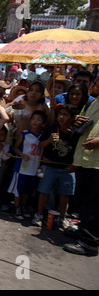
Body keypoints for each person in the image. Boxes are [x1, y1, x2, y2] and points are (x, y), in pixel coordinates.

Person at [32, 104, 80, 227]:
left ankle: (62, 217)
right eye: (60, 114)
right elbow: (40, 145)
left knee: (65, 194)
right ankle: (39, 214)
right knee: (43, 191)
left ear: (72, 118)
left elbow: (78, 150)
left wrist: (75, 165)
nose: (62, 117)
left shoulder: (76, 132)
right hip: (49, 167)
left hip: (67, 169)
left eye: (65, 115)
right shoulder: (52, 128)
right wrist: (49, 141)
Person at [63, 98, 99, 256]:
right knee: (83, 200)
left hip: (97, 163)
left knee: (95, 204)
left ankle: (90, 243)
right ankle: (84, 232)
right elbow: (80, 123)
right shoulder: (92, 103)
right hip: (84, 159)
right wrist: (77, 121)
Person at [8, 110, 47, 220]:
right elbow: (15, 147)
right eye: (34, 119)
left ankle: (23, 206)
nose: (35, 122)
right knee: (18, 189)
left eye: (39, 120)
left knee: (28, 190)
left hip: (35, 168)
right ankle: (16, 207)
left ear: (43, 123)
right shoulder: (24, 134)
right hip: (22, 167)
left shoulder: (43, 136)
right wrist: (22, 154)